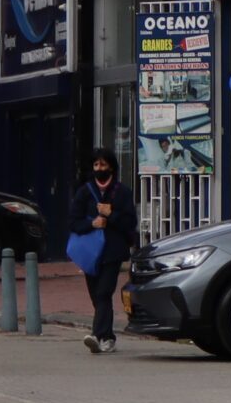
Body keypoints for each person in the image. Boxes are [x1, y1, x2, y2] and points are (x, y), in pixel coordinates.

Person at [71, 148, 137, 354]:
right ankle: (107, 338)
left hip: (113, 251)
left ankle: (96, 335)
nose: (99, 168)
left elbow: (130, 223)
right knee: (97, 296)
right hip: (90, 253)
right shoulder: (84, 192)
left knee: (104, 292)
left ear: (111, 167)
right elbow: (73, 222)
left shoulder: (122, 192)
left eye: (103, 164)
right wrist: (92, 223)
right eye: (96, 165)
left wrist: (111, 214)